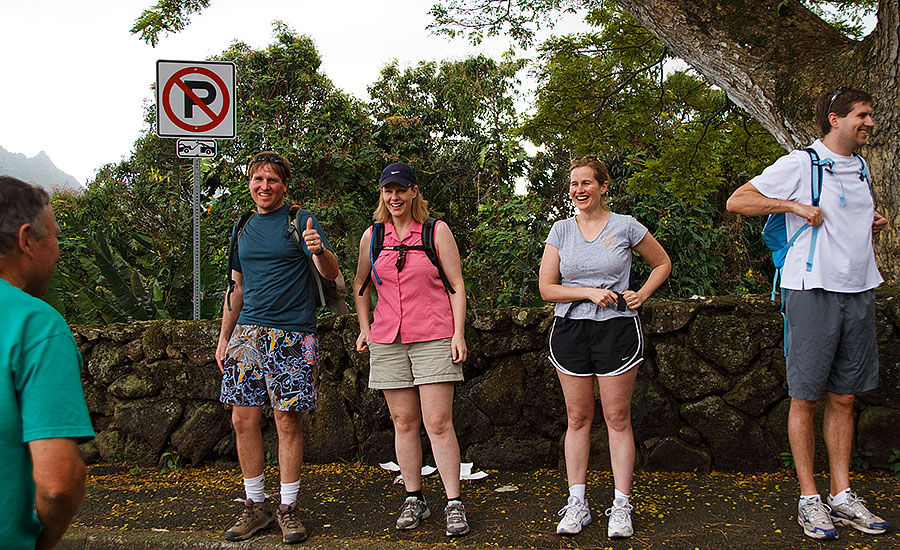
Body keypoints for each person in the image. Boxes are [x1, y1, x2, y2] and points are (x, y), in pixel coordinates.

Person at [727, 87, 890, 540]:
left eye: (870, 115)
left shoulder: (860, 168)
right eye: (862, 115)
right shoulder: (801, 163)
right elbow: (738, 200)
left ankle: (842, 495)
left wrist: (868, 221)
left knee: (845, 397)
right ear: (835, 120)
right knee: (806, 396)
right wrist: (794, 206)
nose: (869, 122)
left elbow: (843, 218)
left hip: (858, 289)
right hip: (811, 289)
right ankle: (809, 499)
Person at [539, 157, 670, 538]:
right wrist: (588, 293)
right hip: (570, 331)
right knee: (577, 418)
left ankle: (621, 506)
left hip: (617, 331)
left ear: (603, 186)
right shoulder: (561, 230)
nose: (578, 190)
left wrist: (641, 293)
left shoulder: (626, 226)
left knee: (617, 418)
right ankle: (577, 503)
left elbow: (662, 263)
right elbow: (547, 288)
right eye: (573, 184)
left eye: (586, 183)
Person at [216, 151, 340, 544]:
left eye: (272, 180)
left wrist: (319, 250)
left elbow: (331, 273)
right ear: (249, 183)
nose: (264, 186)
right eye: (258, 179)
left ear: (285, 185)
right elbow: (236, 286)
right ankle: (256, 507)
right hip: (247, 335)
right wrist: (224, 337)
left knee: (288, 421)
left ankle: (288, 508)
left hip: (291, 333)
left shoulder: (300, 220)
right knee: (242, 419)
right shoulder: (243, 225)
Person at [352, 162, 470, 537]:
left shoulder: (436, 231)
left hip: (434, 334)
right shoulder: (372, 237)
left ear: (414, 191)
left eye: (401, 190)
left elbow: (456, 284)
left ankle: (454, 503)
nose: (394, 197)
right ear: (382, 195)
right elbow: (360, 286)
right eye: (388, 191)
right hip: (388, 339)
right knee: (403, 423)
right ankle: (414, 496)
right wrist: (365, 329)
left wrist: (458, 333)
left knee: (438, 422)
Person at [0, 176, 95, 550]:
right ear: (26, 240)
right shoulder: (35, 325)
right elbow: (59, 483)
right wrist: (41, 540)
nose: (58, 250)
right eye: (54, 236)